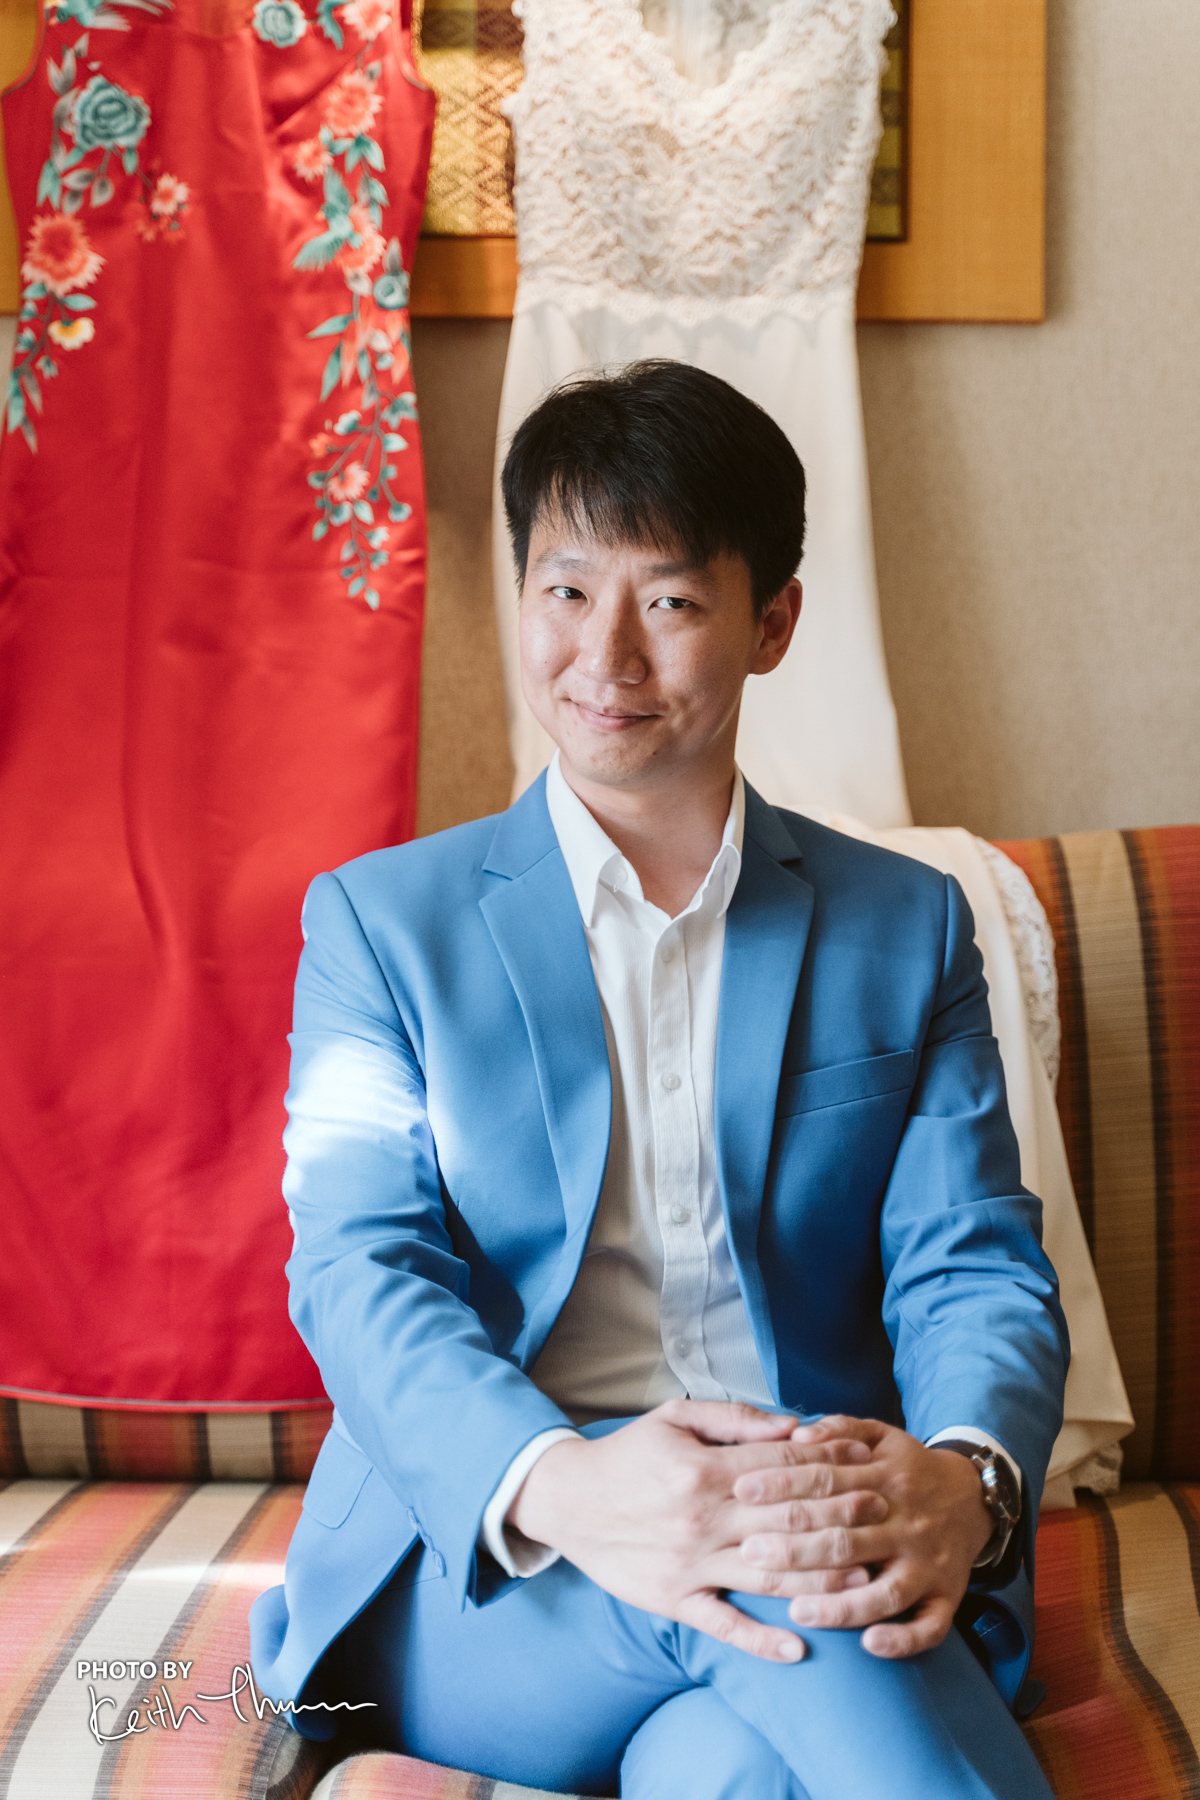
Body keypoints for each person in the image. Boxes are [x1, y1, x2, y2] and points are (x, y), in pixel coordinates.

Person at [250, 361, 1068, 1799]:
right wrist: (573, 1485)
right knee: (776, 1573)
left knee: (729, 1767)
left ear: (773, 624)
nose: (605, 657)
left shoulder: (906, 924)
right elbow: (359, 1270)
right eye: (565, 591)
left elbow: (973, 1264)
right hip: (492, 1566)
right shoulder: (381, 927)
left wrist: (966, 1477)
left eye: (671, 602)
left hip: (814, 1520)